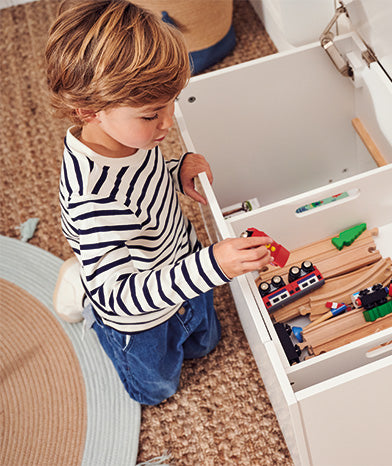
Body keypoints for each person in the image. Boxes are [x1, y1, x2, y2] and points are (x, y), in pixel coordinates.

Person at [45, 0, 272, 405]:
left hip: (176, 260)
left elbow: (142, 179)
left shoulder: (134, 136)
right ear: (89, 112)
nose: (167, 123)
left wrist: (174, 170)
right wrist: (212, 266)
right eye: (152, 114)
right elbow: (123, 296)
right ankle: (85, 293)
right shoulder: (91, 200)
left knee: (205, 344)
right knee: (156, 389)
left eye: (171, 103)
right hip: (136, 315)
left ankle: (96, 273)